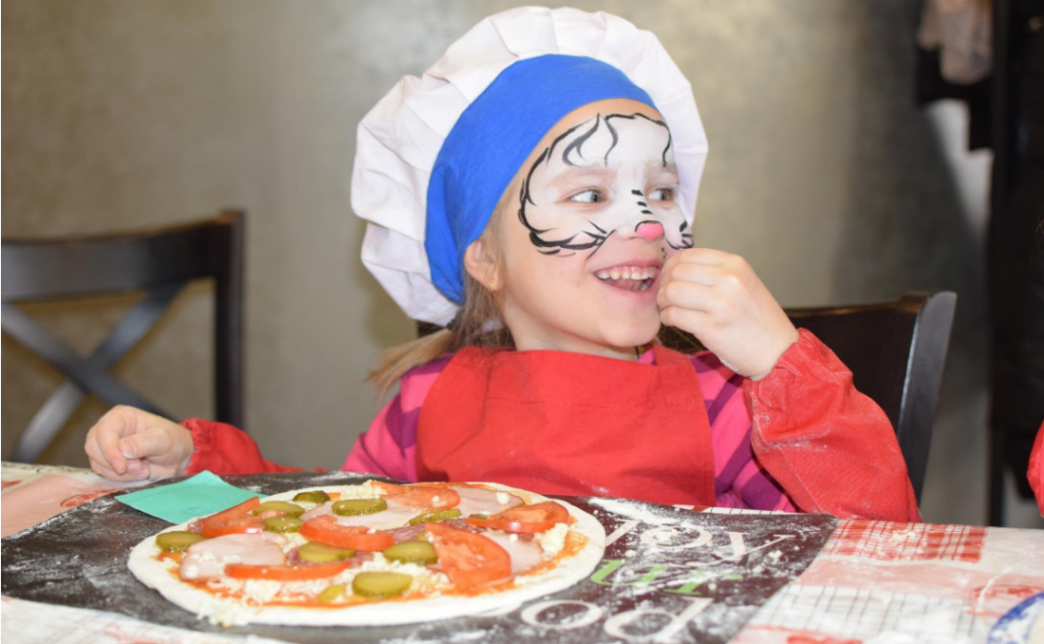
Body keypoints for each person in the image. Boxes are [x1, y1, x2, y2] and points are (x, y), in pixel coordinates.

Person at [83, 7, 919, 521]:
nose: (643, 221)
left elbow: (883, 539)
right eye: (588, 194)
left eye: (662, 191)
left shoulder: (724, 406)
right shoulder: (426, 403)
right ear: (484, 258)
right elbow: (323, 521)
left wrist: (782, 365)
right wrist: (193, 460)